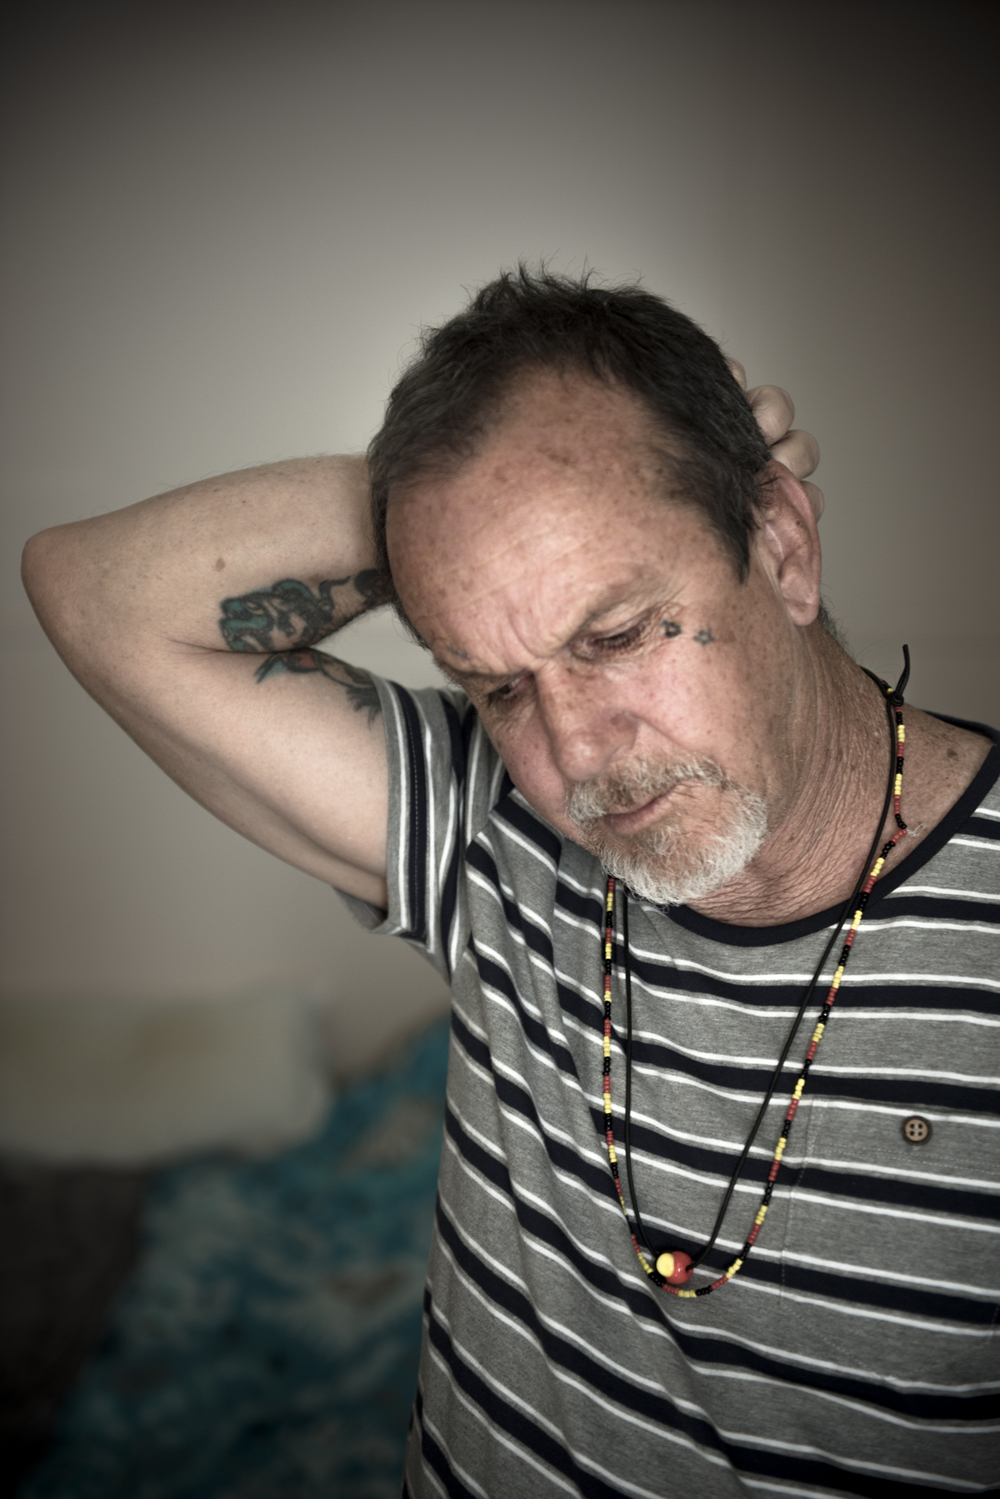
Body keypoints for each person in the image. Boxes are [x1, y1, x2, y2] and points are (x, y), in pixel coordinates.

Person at [23, 271, 999, 1497]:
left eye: (615, 635)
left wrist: (632, 456)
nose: (577, 752)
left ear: (784, 547)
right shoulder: (489, 827)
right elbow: (91, 589)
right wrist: (458, 506)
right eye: (497, 685)